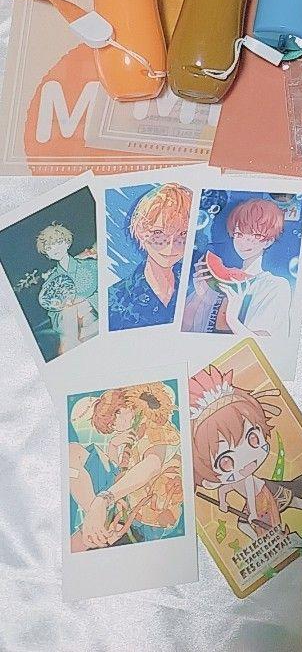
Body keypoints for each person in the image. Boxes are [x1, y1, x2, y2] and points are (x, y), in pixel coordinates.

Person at [190, 364, 302, 542]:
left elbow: (250, 492)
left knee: (290, 500)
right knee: (244, 524)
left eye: (252, 438)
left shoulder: (247, 480)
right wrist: (222, 503)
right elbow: (224, 489)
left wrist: (252, 513)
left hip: (264, 492)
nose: (244, 460)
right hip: (254, 500)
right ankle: (259, 540)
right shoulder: (232, 481)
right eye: (225, 461)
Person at [69, 383, 185, 549]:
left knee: (78, 544)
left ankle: (97, 515)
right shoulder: (130, 436)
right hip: (120, 505)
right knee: (73, 452)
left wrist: (104, 499)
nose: (116, 424)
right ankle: (96, 516)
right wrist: (113, 446)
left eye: (116, 413)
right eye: (111, 425)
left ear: (129, 403)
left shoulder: (156, 426)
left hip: (145, 519)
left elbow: (152, 465)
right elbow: (119, 474)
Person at [184, 198, 292, 339]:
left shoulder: (275, 286)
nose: (244, 242)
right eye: (239, 234)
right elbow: (183, 331)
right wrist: (200, 297)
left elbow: (264, 346)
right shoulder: (215, 283)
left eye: (255, 235)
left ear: (269, 241)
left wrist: (232, 319)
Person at [109, 184, 191, 330]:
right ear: (140, 231)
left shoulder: (195, 283)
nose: (171, 246)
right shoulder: (114, 299)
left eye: (183, 233)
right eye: (158, 233)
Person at [36, 222, 97, 354]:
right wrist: (71, 312)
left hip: (95, 318)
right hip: (71, 328)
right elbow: (53, 312)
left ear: (67, 243)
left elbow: (104, 290)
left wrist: (88, 303)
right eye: (49, 247)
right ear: (47, 254)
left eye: (58, 242)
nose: (55, 249)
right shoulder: (50, 283)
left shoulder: (90, 265)